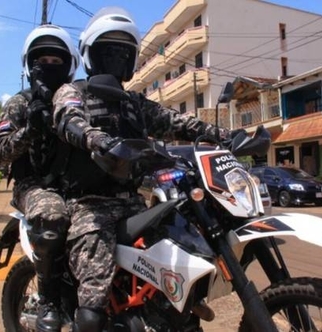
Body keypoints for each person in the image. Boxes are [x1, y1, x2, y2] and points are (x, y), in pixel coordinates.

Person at [44, 7, 234, 332]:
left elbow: (179, 122)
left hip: (134, 203)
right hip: (89, 207)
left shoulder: (135, 103)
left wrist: (230, 136)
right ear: (92, 55)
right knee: (92, 307)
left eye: (123, 51)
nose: (117, 57)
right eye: (109, 50)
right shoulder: (73, 92)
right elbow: (67, 119)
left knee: (186, 256)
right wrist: (96, 139)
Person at [0, 24, 80, 332]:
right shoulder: (19, 102)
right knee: (53, 216)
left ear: (69, 65)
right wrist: (30, 130)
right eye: (42, 60)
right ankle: (49, 302)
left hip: (75, 183)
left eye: (56, 62)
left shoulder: (75, 99)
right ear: (30, 65)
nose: (49, 67)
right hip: (34, 185)